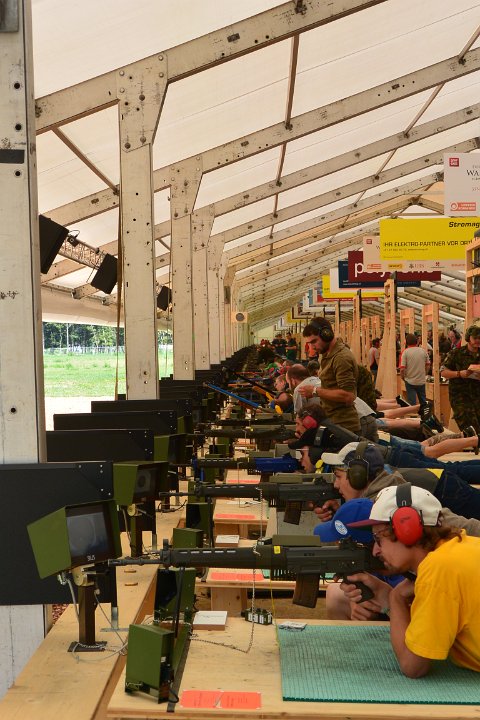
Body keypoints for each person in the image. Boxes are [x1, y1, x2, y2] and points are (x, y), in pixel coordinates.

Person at [344, 484, 480, 677]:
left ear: (406, 529)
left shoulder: (439, 568)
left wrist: (395, 598)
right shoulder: (463, 546)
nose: (375, 550)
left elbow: (413, 666)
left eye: (378, 538)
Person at [318, 440, 480, 528]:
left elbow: (461, 526)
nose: (336, 485)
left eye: (338, 477)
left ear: (358, 476)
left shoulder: (394, 501)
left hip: (445, 488)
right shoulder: (381, 491)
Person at [301, 318, 360, 433]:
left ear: (326, 334)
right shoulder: (327, 355)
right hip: (334, 423)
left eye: (314, 341)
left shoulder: (341, 358)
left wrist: (315, 391)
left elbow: (348, 395)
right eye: (310, 343)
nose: (312, 347)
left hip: (344, 426)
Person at [441, 324, 480, 433]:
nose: (478, 340)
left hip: (477, 396)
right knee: (471, 429)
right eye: (475, 338)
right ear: (468, 338)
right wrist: (459, 374)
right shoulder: (456, 353)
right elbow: (443, 372)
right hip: (460, 397)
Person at [398, 334, 429, 406]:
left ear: (406, 342)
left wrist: (402, 377)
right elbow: (428, 365)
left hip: (410, 381)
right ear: (416, 341)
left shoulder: (405, 352)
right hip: (421, 381)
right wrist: (425, 374)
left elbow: (402, 369)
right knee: (423, 402)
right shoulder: (423, 351)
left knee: (412, 404)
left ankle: (413, 413)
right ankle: (424, 412)